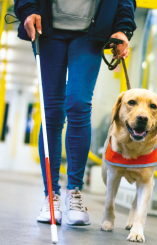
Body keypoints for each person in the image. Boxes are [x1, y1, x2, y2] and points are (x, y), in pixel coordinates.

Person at [14, 0, 136, 226]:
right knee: (51, 112)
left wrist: (122, 27)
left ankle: (74, 192)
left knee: (79, 104)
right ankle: (51, 196)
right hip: (47, 28)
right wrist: (28, 9)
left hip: (91, 32)